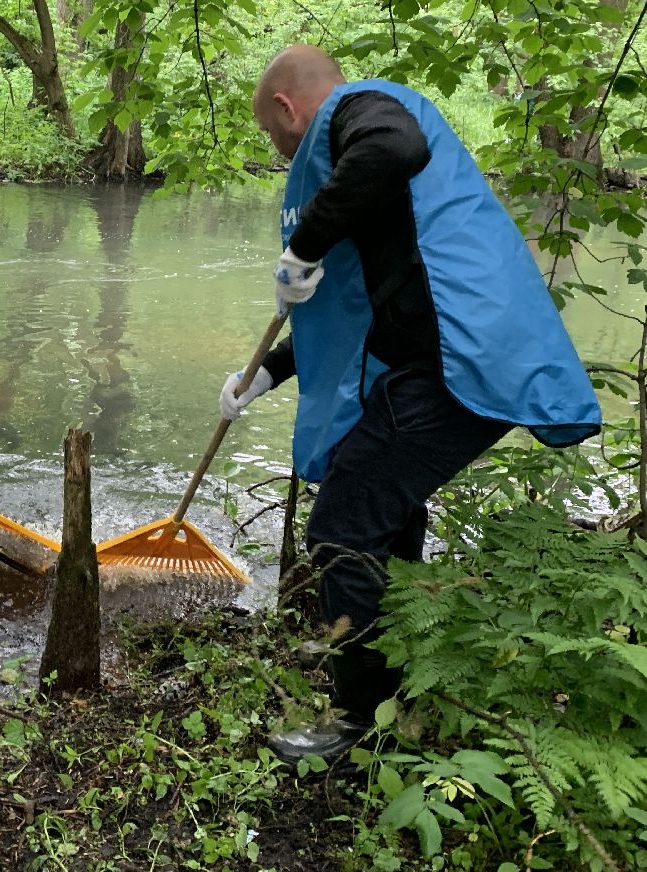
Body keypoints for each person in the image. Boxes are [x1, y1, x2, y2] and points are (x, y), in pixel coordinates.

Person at [219, 45, 601, 765]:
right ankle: (394, 691)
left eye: (275, 141)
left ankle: (353, 725)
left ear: (286, 109)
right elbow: (362, 305)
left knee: (343, 523)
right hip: (429, 363)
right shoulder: (364, 182)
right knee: (382, 510)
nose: (280, 153)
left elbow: (396, 148)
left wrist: (303, 244)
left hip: (458, 363)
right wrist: (266, 374)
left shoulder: (364, 112)